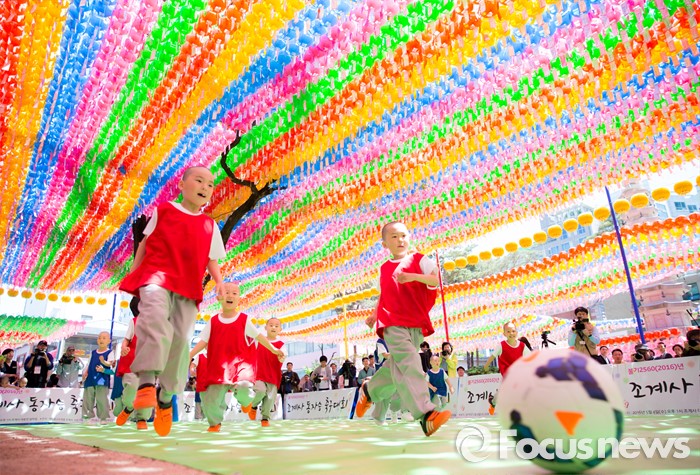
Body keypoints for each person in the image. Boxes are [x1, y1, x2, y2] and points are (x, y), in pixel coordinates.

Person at [119, 166, 226, 437]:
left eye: (210, 184)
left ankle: (165, 398)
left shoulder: (210, 225)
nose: (205, 187)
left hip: (188, 287)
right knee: (154, 319)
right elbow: (145, 244)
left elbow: (212, 259)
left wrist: (220, 282)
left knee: (180, 341)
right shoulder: (164, 210)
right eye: (199, 180)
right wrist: (134, 273)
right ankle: (146, 384)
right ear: (182, 184)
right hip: (156, 276)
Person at [354, 221, 451, 437]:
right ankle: (426, 414)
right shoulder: (384, 268)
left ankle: (369, 390)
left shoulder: (419, 259)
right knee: (410, 361)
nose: (400, 240)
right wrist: (375, 314)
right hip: (392, 322)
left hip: (415, 324)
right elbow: (385, 294)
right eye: (394, 236)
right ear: (385, 244)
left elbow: (436, 279)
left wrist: (413, 276)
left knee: (396, 368)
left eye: (403, 235)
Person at [189, 282, 283, 432]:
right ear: (219, 297)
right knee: (211, 400)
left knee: (245, 388)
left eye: (234, 293)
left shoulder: (244, 319)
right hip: (219, 369)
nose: (230, 296)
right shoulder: (213, 321)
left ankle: (246, 402)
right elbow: (203, 342)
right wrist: (189, 356)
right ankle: (215, 423)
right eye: (226, 292)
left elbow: (259, 337)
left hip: (241, 368)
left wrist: (274, 349)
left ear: (239, 299)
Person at [115, 304, 151, 431]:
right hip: (132, 361)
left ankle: (142, 418)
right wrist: (123, 347)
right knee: (131, 388)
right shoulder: (134, 322)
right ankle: (129, 407)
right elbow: (126, 339)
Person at [249, 318, 285, 427]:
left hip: (273, 376)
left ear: (280, 329)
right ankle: (253, 406)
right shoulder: (259, 341)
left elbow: (284, 356)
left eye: (276, 326)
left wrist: (282, 358)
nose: (273, 327)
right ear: (266, 327)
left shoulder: (281, 344)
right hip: (259, 374)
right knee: (260, 391)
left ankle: (265, 419)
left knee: (270, 399)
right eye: (271, 325)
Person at [82, 332, 115, 424]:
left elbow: (110, 364)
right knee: (88, 399)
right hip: (90, 379)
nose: (101, 340)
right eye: (99, 338)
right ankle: (87, 417)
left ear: (109, 341)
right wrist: (85, 372)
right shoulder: (93, 352)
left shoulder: (110, 352)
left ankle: (103, 418)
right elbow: (88, 363)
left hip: (102, 380)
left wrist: (103, 362)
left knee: (102, 399)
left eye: (104, 338)